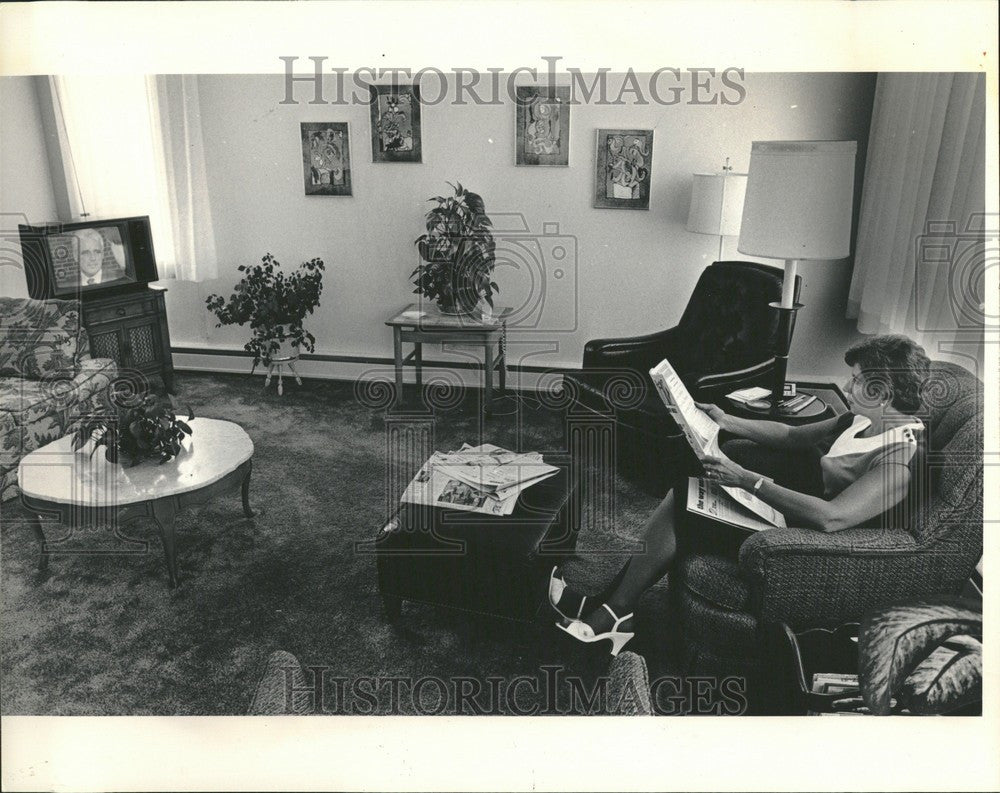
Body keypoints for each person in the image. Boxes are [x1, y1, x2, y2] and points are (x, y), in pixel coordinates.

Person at [550, 334, 931, 656]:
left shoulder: (900, 458)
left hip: (805, 536)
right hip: (792, 504)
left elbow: (832, 518)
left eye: (857, 380)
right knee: (687, 490)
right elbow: (794, 435)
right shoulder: (861, 417)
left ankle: (615, 612)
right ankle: (614, 602)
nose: (847, 387)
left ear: (883, 392)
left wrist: (748, 480)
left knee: (686, 508)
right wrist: (726, 419)